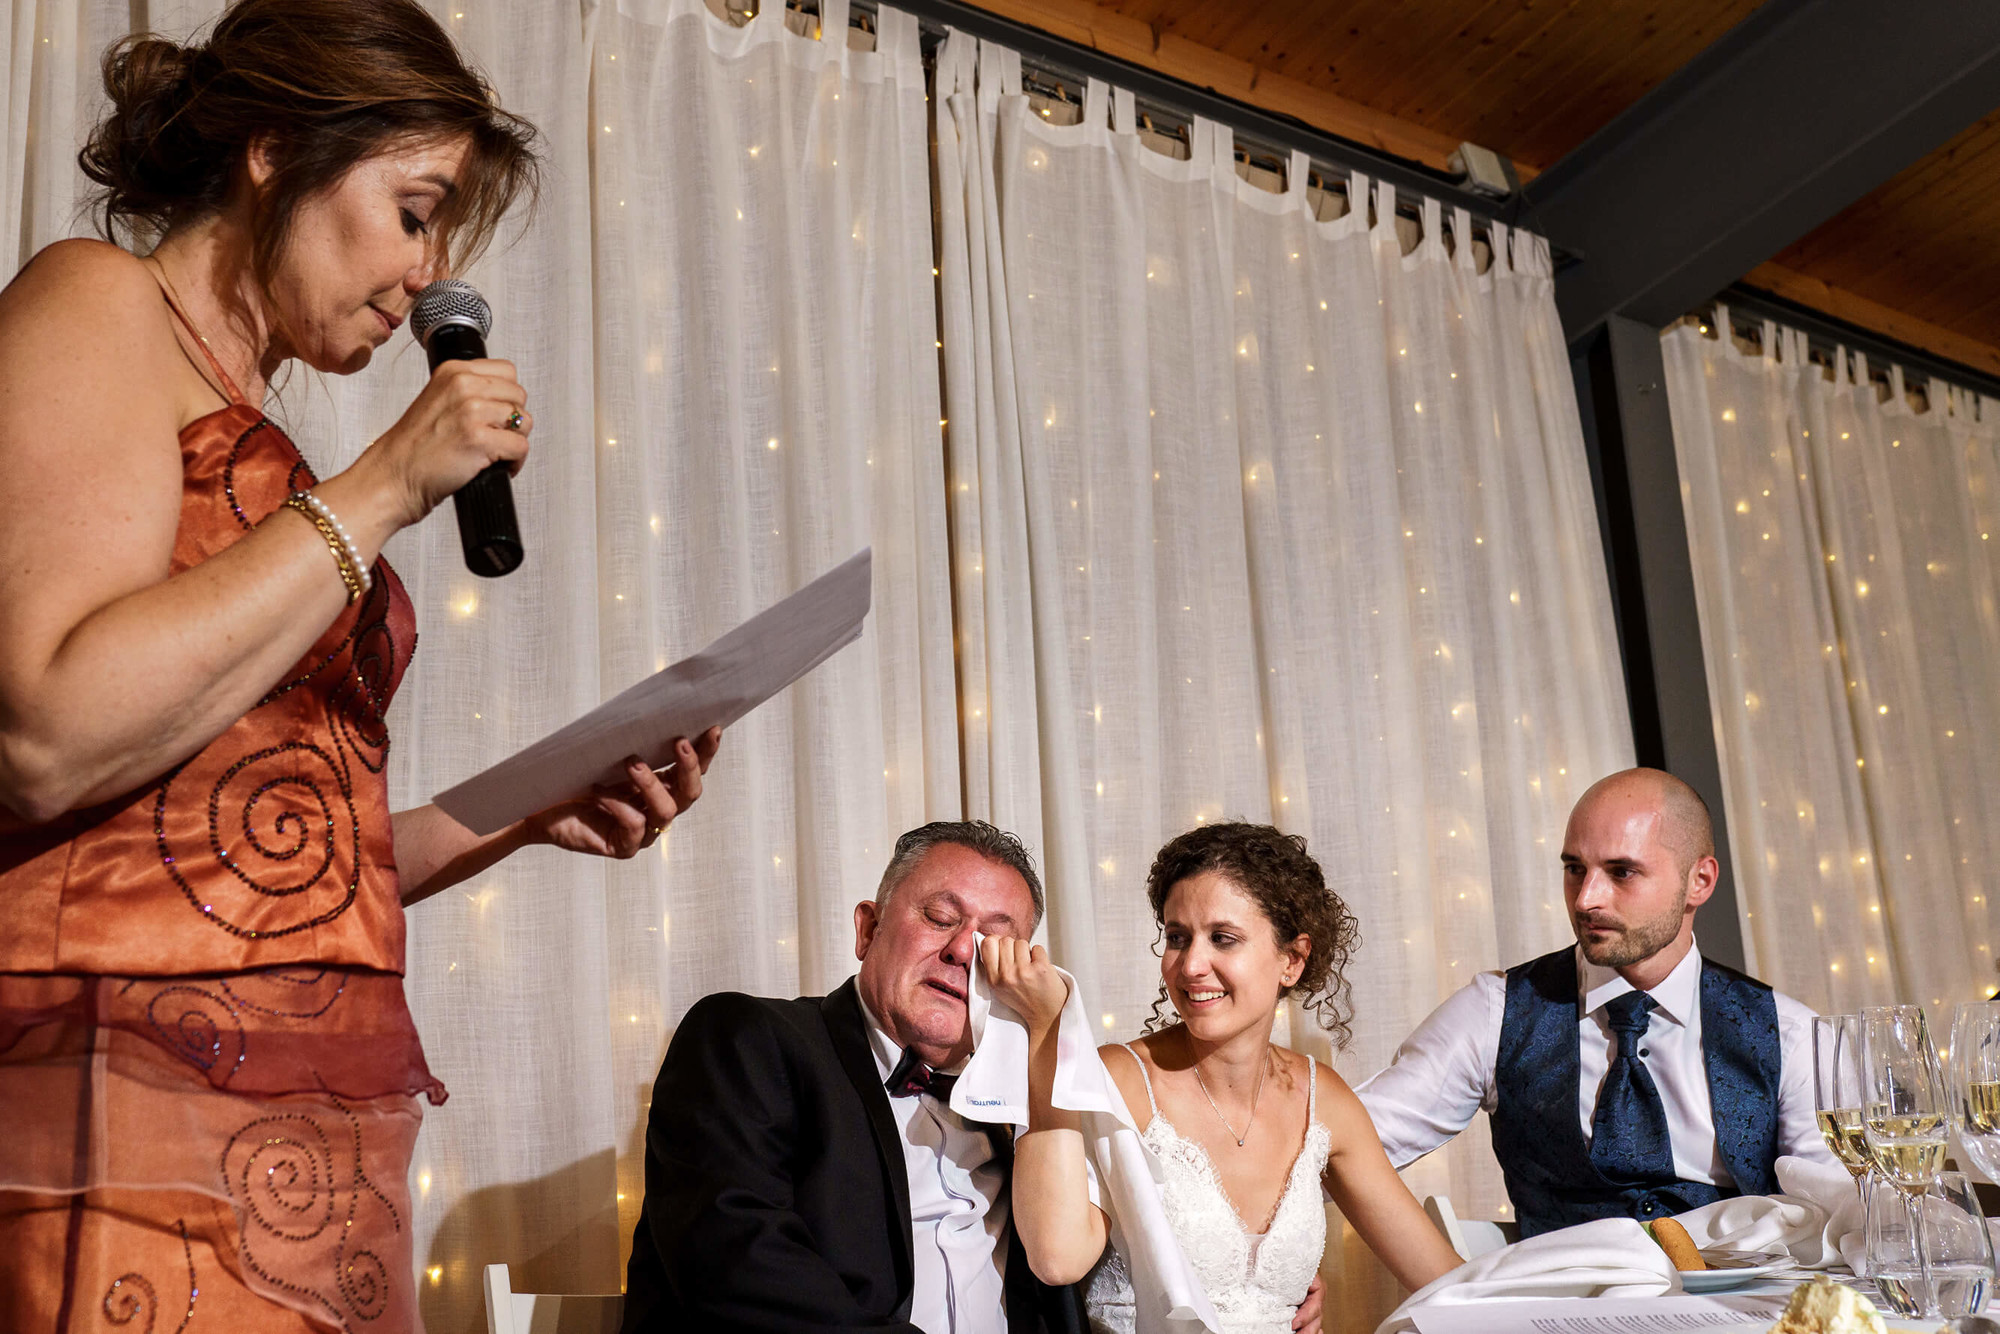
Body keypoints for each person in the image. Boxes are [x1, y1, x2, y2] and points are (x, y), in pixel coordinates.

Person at [0, 3, 721, 1329]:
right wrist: (385, 482)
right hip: (118, 1097)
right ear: (275, 150)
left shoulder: (259, 425)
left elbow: (247, 859)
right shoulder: (96, 302)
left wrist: (523, 810)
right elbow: (47, 730)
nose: (423, 272)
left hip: (303, 1131)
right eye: (411, 209)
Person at [623, 820, 1103, 1333]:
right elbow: (738, 1269)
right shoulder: (747, 1040)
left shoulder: (1019, 1108)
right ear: (868, 930)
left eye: (994, 942)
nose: (964, 950)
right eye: (940, 917)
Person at [993, 822, 1461, 1334]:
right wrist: (1047, 1032)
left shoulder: (1321, 1098)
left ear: (1292, 960)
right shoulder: (1119, 1078)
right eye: (1177, 937)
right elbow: (1056, 1258)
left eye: (1223, 938)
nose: (1192, 964)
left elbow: (1448, 1283)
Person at [1355, 767, 1834, 1238]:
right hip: (1558, 1310)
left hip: (1734, 1309)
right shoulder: (1495, 1013)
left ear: (1699, 882)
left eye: (1622, 871)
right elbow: (1344, 1145)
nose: (1586, 899)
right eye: (1574, 869)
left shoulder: (1790, 1035)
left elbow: (1834, 1211)